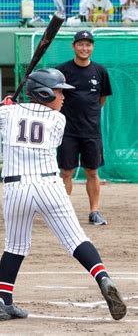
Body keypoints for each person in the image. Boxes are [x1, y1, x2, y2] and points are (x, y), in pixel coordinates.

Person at [0, 68, 127, 321]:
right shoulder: (58, 119)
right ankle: (103, 277)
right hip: (49, 187)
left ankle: (3, 300)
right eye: (58, 91)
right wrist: (9, 108)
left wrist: (2, 106)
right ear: (43, 93)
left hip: (15, 189)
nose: (63, 96)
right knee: (76, 240)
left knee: (15, 246)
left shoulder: (10, 113)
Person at [56, 30, 112, 226]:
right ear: (73, 46)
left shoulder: (100, 71)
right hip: (67, 131)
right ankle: (63, 213)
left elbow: (101, 100)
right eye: (81, 44)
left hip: (91, 132)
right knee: (66, 172)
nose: (84, 48)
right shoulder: (62, 71)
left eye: (88, 45)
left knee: (92, 172)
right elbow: (55, 97)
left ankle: (94, 212)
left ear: (92, 47)